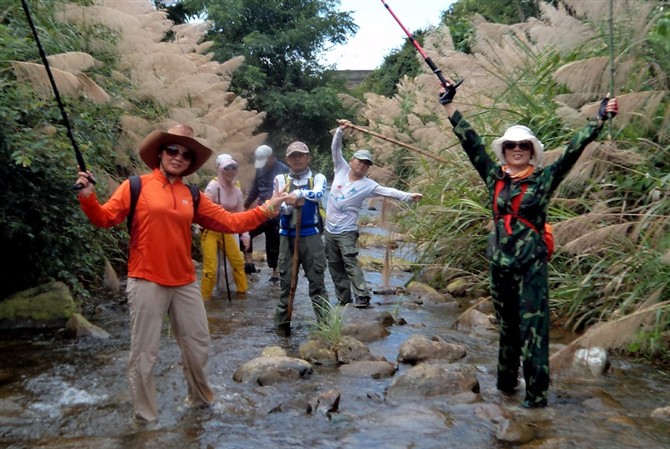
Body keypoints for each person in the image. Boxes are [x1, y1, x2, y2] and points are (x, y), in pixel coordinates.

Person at [75, 124, 286, 423]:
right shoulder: (135, 186)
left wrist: (268, 208)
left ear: (190, 163)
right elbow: (105, 218)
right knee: (144, 355)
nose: (178, 157)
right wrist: (88, 197)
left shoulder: (193, 195)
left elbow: (230, 222)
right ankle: (146, 419)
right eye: (172, 150)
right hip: (146, 279)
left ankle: (200, 402)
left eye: (186, 154)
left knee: (198, 346)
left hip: (185, 281)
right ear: (160, 153)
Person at [437, 82, 619, 408]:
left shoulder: (544, 178)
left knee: (534, 332)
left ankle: (535, 401)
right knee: (507, 330)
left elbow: (572, 152)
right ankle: (506, 390)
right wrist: (449, 106)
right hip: (500, 265)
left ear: (531, 150)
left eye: (523, 145)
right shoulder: (494, 177)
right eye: (511, 145)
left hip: (531, 265)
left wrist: (599, 120)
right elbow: (471, 143)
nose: (516, 149)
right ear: (504, 150)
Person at [326, 121, 423, 308]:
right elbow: (335, 148)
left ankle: (362, 296)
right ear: (352, 160)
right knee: (334, 266)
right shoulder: (341, 168)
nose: (362, 165)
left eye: (366, 164)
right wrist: (340, 131)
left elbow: (389, 191)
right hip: (330, 229)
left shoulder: (368, 185)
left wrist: (409, 196)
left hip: (346, 230)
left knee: (350, 263)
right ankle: (343, 299)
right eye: (360, 161)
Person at [273, 141, 329, 336]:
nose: (297, 159)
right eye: (293, 156)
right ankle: (282, 328)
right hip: (287, 236)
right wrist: (286, 207)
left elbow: (318, 194)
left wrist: (298, 193)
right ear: (287, 159)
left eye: (301, 155)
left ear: (308, 158)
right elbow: (276, 203)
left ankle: (326, 327)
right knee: (286, 284)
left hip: (311, 236)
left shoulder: (318, 178)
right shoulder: (280, 179)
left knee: (317, 283)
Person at [200, 154, 250, 299]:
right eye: (227, 168)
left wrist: (245, 235)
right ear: (220, 169)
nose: (230, 171)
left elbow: (242, 215)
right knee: (210, 267)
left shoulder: (237, 190)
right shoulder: (213, 187)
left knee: (237, 262)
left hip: (226, 229)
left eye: (234, 168)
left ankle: (242, 294)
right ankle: (205, 299)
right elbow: (203, 209)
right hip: (210, 230)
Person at [243, 145, 289, 282]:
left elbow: (287, 191)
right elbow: (255, 189)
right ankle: (249, 263)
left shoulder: (283, 170)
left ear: (271, 156)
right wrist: (245, 205)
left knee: (273, 241)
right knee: (246, 232)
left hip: (276, 211)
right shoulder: (260, 169)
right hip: (261, 209)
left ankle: (275, 272)